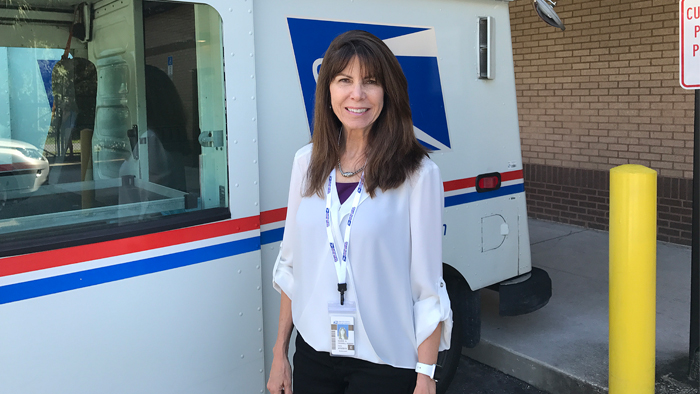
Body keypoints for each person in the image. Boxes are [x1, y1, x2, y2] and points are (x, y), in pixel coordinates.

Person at [267, 30, 452, 394]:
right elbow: (291, 266)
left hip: (385, 362)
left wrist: (426, 376)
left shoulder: (418, 174)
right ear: (328, 92)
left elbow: (428, 288)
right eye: (344, 81)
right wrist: (279, 353)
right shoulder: (306, 163)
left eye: (370, 82)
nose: (357, 94)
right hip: (314, 353)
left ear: (388, 92)